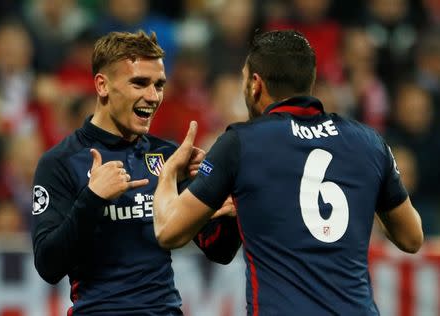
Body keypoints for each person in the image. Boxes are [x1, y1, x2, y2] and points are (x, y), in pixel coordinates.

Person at [153, 30, 424, 315]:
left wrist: (168, 172)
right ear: (311, 80)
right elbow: (411, 237)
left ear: (255, 84)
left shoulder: (242, 143)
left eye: (244, 79)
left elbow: (169, 232)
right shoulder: (369, 142)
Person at [31, 30, 240, 315]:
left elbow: (219, 250)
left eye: (159, 85)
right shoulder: (60, 162)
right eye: (140, 83)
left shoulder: (169, 158)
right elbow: (48, 266)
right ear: (102, 85)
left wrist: (228, 213)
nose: (153, 96)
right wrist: (93, 199)